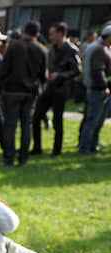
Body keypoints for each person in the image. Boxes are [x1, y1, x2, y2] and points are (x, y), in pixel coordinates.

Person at [0, 21, 47, 166]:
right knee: (26, 126)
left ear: (23, 30)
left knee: (10, 126)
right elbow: (43, 75)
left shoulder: (14, 46)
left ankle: (9, 157)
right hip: (30, 92)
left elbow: (3, 70)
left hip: (12, 91)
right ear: (37, 34)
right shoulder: (42, 49)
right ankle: (23, 158)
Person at [31, 22, 81, 158]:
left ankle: (56, 150)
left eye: (52, 34)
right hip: (49, 88)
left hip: (61, 89)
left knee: (57, 121)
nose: (50, 37)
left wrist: (60, 75)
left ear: (61, 34)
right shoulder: (51, 49)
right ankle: (37, 147)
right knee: (36, 117)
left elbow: (77, 70)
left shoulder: (71, 49)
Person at [78, 25, 111, 154]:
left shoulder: (105, 49)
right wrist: (104, 87)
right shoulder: (99, 50)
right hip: (98, 90)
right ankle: (84, 147)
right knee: (92, 120)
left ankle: (92, 144)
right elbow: (98, 70)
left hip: (103, 90)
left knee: (99, 121)